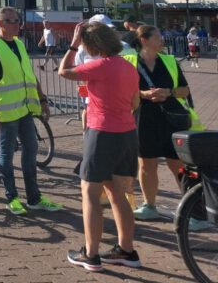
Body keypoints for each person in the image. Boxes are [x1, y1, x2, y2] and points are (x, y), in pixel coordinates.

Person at [59, 21, 141, 270]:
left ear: (93, 45)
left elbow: (64, 70)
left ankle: (91, 254)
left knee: (90, 193)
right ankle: (127, 250)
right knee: (119, 194)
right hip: (127, 132)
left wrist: (73, 44)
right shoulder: (128, 66)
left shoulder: (99, 66)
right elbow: (135, 101)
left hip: (102, 131)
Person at [0, 5, 61, 215]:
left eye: (18, 20)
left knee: (31, 150)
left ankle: (34, 197)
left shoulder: (18, 43)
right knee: (6, 156)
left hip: (25, 108)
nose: (17, 24)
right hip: (6, 111)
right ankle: (12, 197)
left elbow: (29, 74)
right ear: (0, 24)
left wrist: (42, 98)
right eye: (11, 21)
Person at [130, 23, 191, 220]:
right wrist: (144, 94)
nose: (162, 40)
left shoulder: (170, 60)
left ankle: (195, 209)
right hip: (144, 118)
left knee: (177, 163)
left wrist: (169, 92)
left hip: (171, 119)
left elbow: (185, 90)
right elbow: (123, 91)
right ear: (144, 40)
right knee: (147, 164)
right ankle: (149, 206)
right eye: (157, 37)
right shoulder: (129, 62)